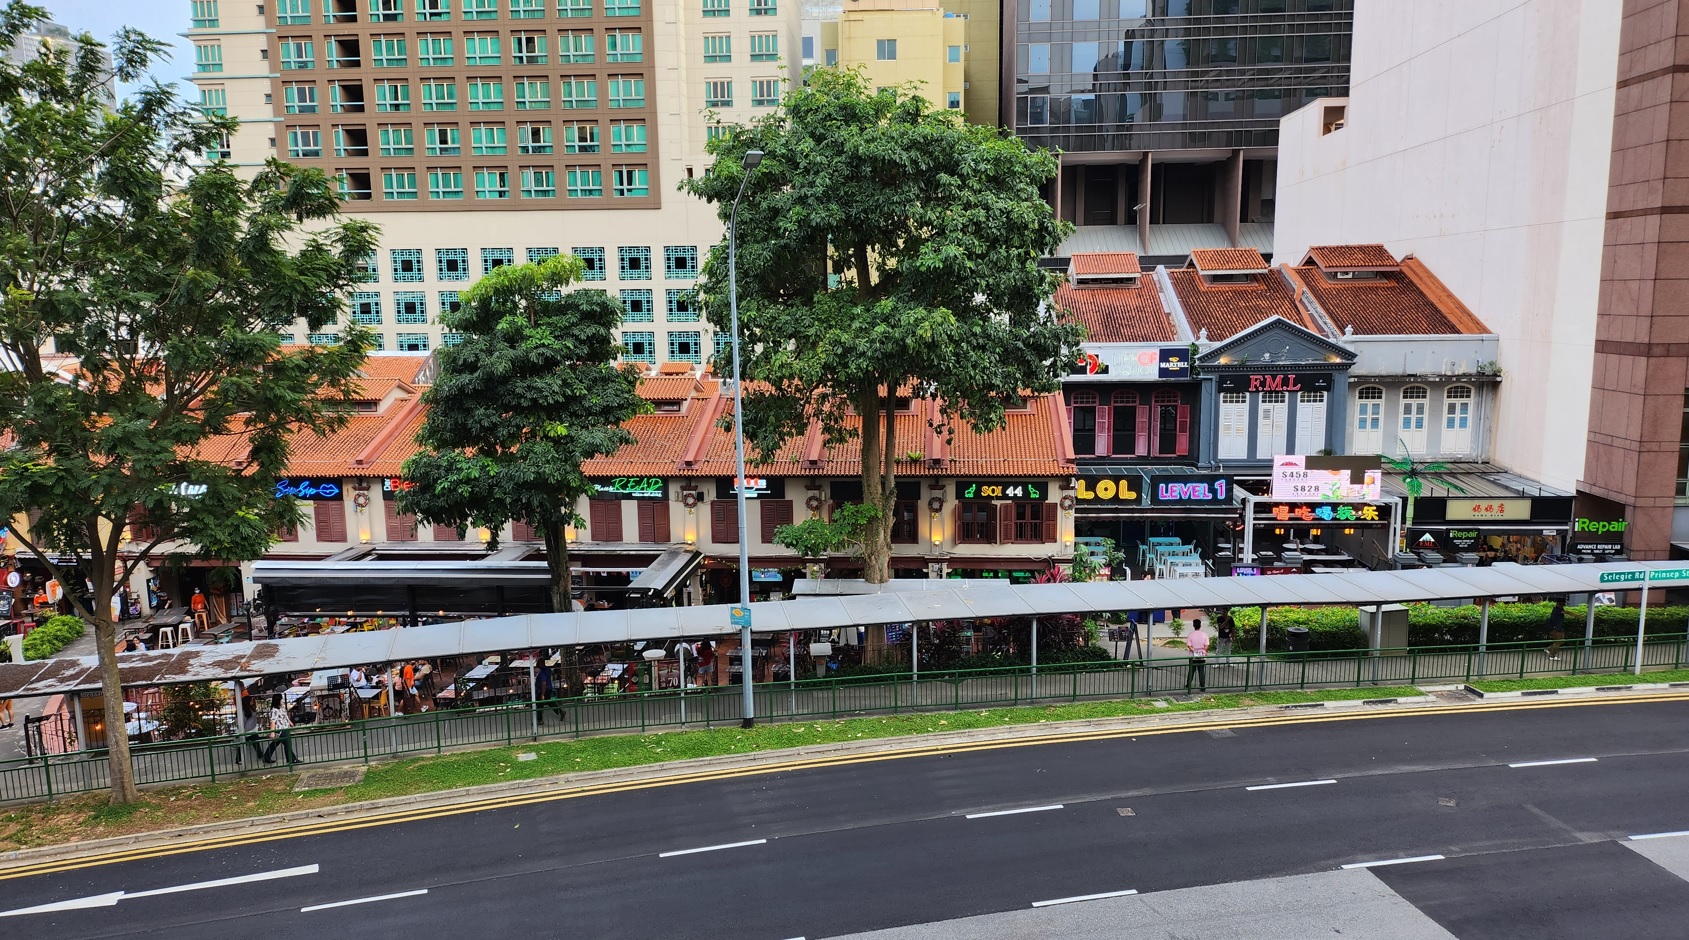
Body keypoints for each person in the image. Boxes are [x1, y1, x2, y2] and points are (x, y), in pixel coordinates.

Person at [262, 693, 299, 764]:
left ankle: (266, 757)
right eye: (281, 699)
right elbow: (273, 721)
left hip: (285, 727)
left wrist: (290, 722)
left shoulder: (282, 708)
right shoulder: (274, 710)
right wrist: (272, 732)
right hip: (280, 729)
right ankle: (291, 759)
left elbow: (285, 716)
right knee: (287, 743)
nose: (282, 700)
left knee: (275, 743)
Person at [1184, 618, 1209, 694]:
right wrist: (1203, 651)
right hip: (1201, 655)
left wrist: (1194, 651)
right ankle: (1202, 686)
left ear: (1193, 625)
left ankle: (1188, 684)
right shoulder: (1204, 634)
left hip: (1193, 656)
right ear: (1200, 625)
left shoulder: (1190, 635)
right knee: (1201, 671)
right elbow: (1207, 645)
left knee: (1191, 671)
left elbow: (1189, 646)